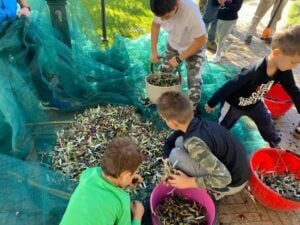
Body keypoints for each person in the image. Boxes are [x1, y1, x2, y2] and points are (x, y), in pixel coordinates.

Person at [205, 25, 300, 148]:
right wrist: (212, 102)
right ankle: (213, 144)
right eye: (294, 62)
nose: (295, 67)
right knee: (222, 127)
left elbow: (292, 89)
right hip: (234, 105)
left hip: (255, 103)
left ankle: (275, 145)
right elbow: (229, 86)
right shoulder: (252, 72)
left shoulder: (284, 70)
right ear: (277, 53)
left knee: (267, 123)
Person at [157, 91, 249, 200]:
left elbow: (224, 179)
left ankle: (213, 192)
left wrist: (187, 182)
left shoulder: (194, 144)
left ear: (173, 123)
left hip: (231, 184)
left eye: (164, 120)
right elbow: (173, 139)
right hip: (237, 169)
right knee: (179, 142)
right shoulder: (197, 122)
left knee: (175, 154)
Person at [60, 137, 145, 225]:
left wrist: (127, 178)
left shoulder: (89, 174)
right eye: (133, 173)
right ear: (125, 175)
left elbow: (102, 173)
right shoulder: (121, 201)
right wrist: (137, 217)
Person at [150, 0, 206, 111]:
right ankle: (164, 101)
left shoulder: (191, 12)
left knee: (194, 83)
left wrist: (180, 58)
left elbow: (201, 41)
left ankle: (191, 110)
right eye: (160, 17)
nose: (163, 20)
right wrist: (154, 51)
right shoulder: (160, 7)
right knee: (163, 74)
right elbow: (155, 26)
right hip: (174, 44)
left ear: (177, 5)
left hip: (194, 47)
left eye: (166, 17)